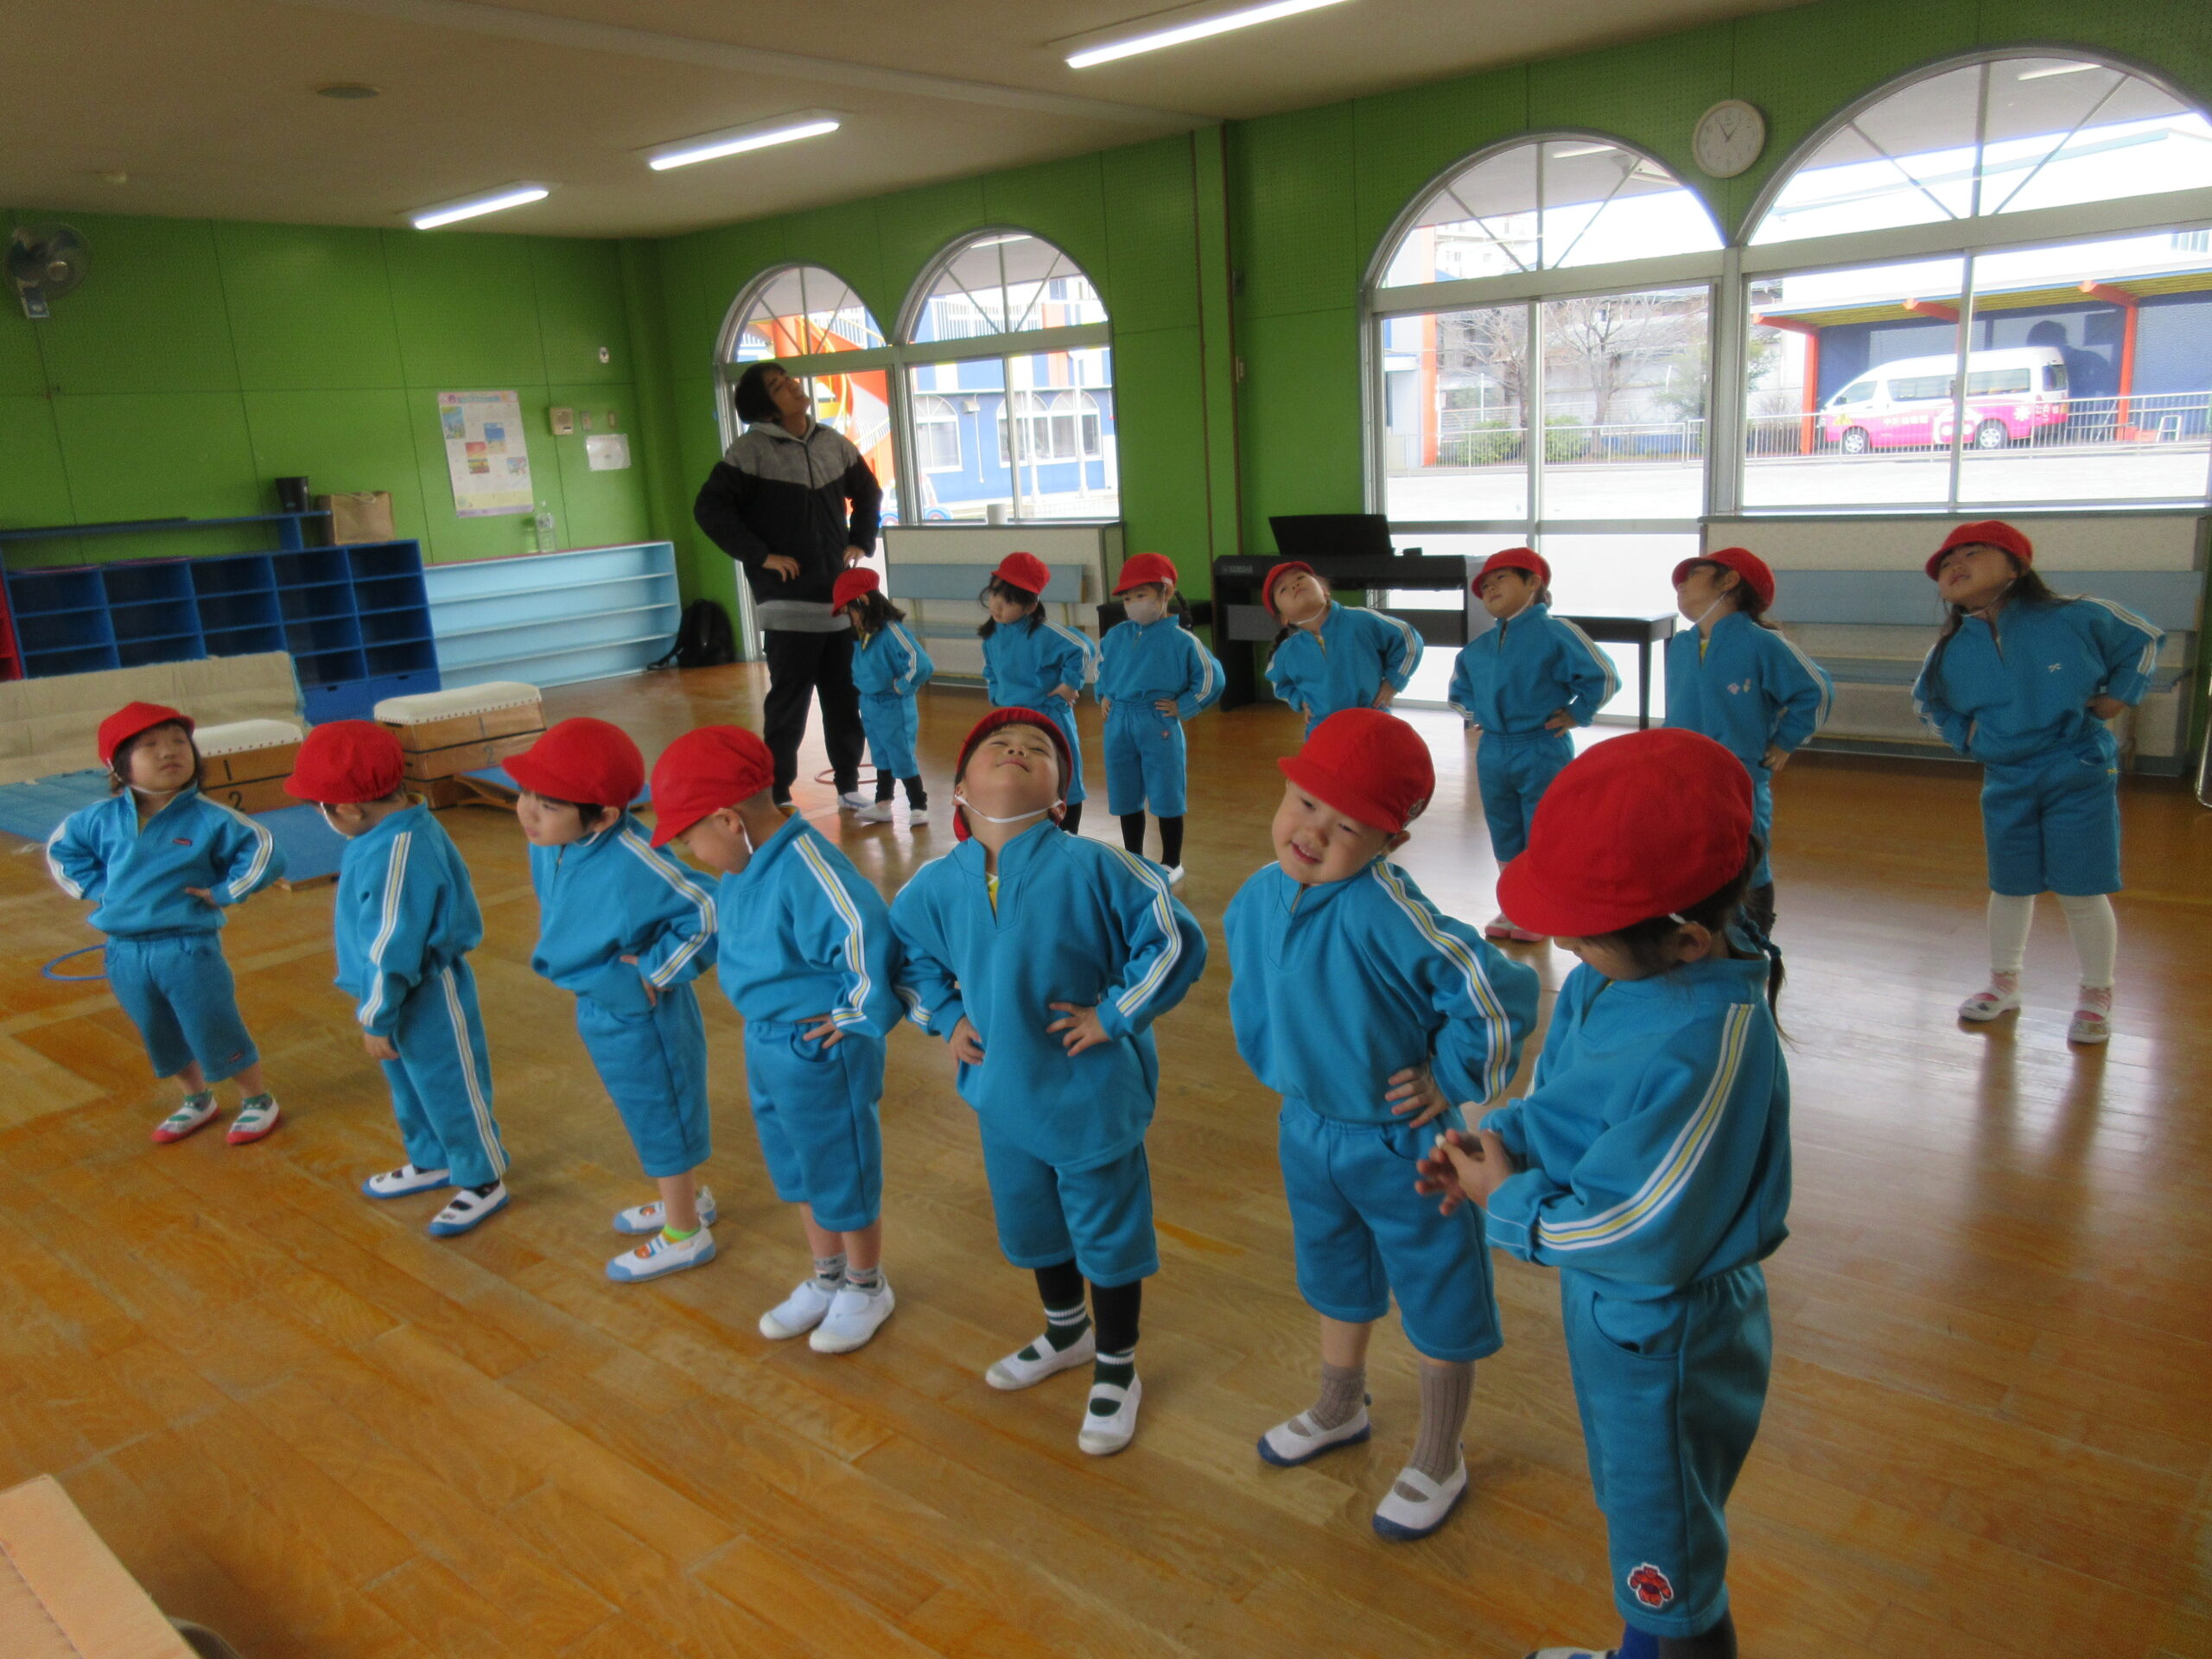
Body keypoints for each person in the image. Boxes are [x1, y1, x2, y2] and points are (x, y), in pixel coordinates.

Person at [1418, 728, 1789, 1659]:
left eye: (1582, 932)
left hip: (1667, 1329)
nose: (1564, 945)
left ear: (1688, 939)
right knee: (1640, 1513)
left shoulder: (1708, 1041)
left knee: (1669, 1553)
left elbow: (1641, 1227)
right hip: (1615, 1308)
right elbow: (1569, 1104)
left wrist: (1510, 1205)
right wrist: (1498, 1144)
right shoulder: (1616, 974)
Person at [1225, 709, 1537, 1541]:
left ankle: (1440, 1453)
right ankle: (1341, 1405)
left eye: (1348, 826)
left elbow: (1498, 994)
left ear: (1390, 844)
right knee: (1334, 1272)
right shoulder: (1256, 897)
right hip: (1308, 1131)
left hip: (1404, 1144)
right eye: (1305, 805)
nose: (1313, 833)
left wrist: (1450, 1079)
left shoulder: (1389, 911)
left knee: (1438, 1289)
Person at [891, 708, 1206, 1455]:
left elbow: (1172, 939)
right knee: (1032, 1221)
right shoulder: (934, 886)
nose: (1016, 748)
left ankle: (1117, 1365)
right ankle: (1066, 1332)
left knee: (1107, 1231)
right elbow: (907, 957)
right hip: (1000, 1094)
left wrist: (1115, 1013)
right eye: (996, 745)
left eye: (1038, 747)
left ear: (1061, 798)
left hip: (1090, 1095)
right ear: (959, 790)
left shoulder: (1099, 866)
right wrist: (944, 1016)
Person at [651, 725, 904, 1352]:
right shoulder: (743, 865)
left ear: (728, 820)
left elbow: (866, 934)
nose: (689, 853)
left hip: (820, 1047)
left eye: (688, 838)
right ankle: (828, 1276)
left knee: (839, 1166)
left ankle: (867, 1284)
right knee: (796, 1165)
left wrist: (855, 1016)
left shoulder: (808, 868)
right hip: (766, 1043)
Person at [1912, 519, 2164, 1045]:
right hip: (2007, 778)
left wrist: (2121, 695)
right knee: (2010, 885)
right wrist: (1969, 737)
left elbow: (2143, 640)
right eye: (1947, 562)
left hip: (2078, 769)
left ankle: (2097, 992)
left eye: (1972, 553)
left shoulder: (2075, 616)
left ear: (2016, 567)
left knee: (2081, 889)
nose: (1956, 564)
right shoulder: (1950, 651)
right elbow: (1928, 704)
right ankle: (2004, 983)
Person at [507, 718, 721, 1281]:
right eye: (525, 793)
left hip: (643, 1016)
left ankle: (685, 1235)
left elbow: (711, 910)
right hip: (600, 1002)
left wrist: (654, 970)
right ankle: (687, 1201)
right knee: (643, 1110)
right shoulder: (554, 842)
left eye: (548, 805)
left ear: (602, 816)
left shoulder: (634, 857)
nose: (527, 812)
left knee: (661, 1113)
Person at [286, 721, 509, 1236]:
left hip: (423, 990)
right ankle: (432, 1159)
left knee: (449, 1085)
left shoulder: (398, 851)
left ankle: (482, 1178)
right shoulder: (380, 833)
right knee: (408, 1083)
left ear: (347, 809)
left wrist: (377, 1015)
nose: (320, 816)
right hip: (392, 993)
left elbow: (392, 947)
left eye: (319, 808)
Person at [45, 702, 284, 1146]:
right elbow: (62, 851)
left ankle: (256, 1098)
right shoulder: (96, 820)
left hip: (188, 947)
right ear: (118, 765)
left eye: (178, 742)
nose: (168, 752)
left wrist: (224, 892)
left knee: (212, 1022)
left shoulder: (211, 818)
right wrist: (99, 889)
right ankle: (196, 1098)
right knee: (157, 1029)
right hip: (123, 951)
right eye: (149, 746)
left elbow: (264, 851)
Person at [693, 359, 881, 810]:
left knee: (844, 699)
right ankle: (778, 793)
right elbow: (710, 510)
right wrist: (761, 556)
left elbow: (868, 492)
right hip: (787, 607)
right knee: (788, 707)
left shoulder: (832, 443)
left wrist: (860, 539)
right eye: (779, 387)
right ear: (767, 410)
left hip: (838, 602)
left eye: (789, 380)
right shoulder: (749, 452)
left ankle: (848, 786)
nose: (794, 387)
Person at [1446, 548, 1618, 942]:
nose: (1490, 589)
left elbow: (1604, 676)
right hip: (1494, 751)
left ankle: (1543, 905)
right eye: (1485, 585)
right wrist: (1478, 714)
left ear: (1533, 583)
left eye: (1501, 579)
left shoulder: (1557, 633)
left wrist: (1577, 713)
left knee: (1543, 825)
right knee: (1503, 827)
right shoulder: (1479, 648)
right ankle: (1515, 904)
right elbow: (1459, 691)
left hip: (1541, 746)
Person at [1662, 548, 1832, 938]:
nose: (1681, 584)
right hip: (1682, 777)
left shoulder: (1763, 642)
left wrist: (1786, 741)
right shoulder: (1682, 645)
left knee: (1747, 860)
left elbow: (1817, 691)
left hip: (1739, 778)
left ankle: (1754, 940)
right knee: (1690, 857)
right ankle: (1704, 936)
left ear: (1729, 580)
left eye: (1694, 574)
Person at [1096, 552, 1223, 886]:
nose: (1133, 604)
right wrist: (1104, 694)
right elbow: (1101, 665)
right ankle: (1133, 857)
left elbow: (1212, 677)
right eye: (1127, 598)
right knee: (1124, 791)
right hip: (1118, 721)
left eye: (1141, 595)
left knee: (1167, 791)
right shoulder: (1116, 636)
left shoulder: (1182, 640)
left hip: (1157, 720)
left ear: (1165, 594)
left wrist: (1185, 705)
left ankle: (1172, 861)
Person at [977, 552, 1097, 836]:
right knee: (1021, 775)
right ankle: (1034, 834)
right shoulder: (993, 635)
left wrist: (1071, 684)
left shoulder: (1046, 633)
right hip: (1012, 720)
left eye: (1008, 600)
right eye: (994, 594)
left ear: (1030, 606)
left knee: (1064, 777)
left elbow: (1083, 648)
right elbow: (991, 670)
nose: (997, 604)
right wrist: (996, 695)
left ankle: (1068, 835)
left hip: (1049, 717)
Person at [1262, 562, 1422, 735]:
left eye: (1300, 577)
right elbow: (1278, 682)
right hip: (1323, 735)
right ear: (1284, 618)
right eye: (1283, 589)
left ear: (1324, 590)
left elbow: (1409, 639)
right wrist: (1300, 701)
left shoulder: (1360, 621)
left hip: (1373, 727)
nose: (1294, 584)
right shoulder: (1287, 652)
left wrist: (1394, 682)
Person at [831, 567, 934, 826]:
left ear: (864, 601)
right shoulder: (863, 636)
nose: (850, 619)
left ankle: (918, 805)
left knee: (901, 755)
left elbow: (922, 664)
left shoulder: (892, 632)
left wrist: (903, 687)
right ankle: (882, 804)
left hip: (893, 706)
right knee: (881, 755)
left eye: (850, 611)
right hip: (869, 704)